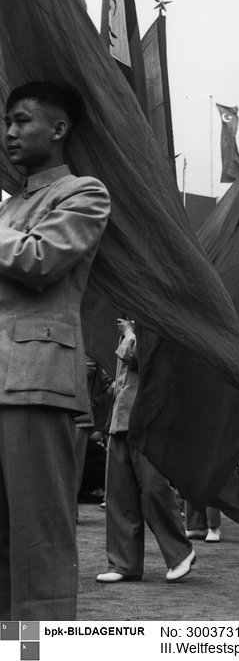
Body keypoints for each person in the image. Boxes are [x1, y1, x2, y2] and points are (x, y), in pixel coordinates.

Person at [0, 82, 110, 619]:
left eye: (22, 120)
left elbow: (40, 261)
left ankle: (37, 653)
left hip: (35, 380)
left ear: (59, 128)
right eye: (7, 122)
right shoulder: (8, 208)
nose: (10, 132)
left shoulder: (82, 192)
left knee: (36, 542)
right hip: (6, 380)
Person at [96, 318, 196, 583]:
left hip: (147, 417)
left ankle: (180, 552)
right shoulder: (135, 321)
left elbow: (147, 360)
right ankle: (123, 564)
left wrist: (129, 335)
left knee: (154, 487)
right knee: (119, 494)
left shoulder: (157, 320)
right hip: (122, 417)